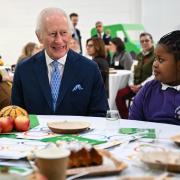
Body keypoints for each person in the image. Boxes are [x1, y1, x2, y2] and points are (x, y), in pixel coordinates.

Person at [11, 7, 109, 117]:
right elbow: (16, 115)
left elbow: (100, 114)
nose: (58, 40)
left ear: (71, 33)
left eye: (63, 33)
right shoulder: (24, 70)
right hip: (35, 134)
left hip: (79, 134)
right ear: (39, 36)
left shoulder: (90, 69)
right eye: (52, 33)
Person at [129, 30, 180, 125]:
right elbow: (133, 123)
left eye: (161, 60)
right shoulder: (148, 89)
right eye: (155, 59)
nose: (155, 64)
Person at [116, 32, 155, 119]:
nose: (144, 43)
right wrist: (131, 84)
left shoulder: (156, 55)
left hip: (147, 86)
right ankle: (126, 118)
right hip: (134, 86)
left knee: (138, 101)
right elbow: (132, 71)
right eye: (142, 41)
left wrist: (140, 85)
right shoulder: (139, 55)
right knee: (119, 95)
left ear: (151, 41)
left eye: (147, 40)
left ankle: (141, 120)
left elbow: (154, 75)